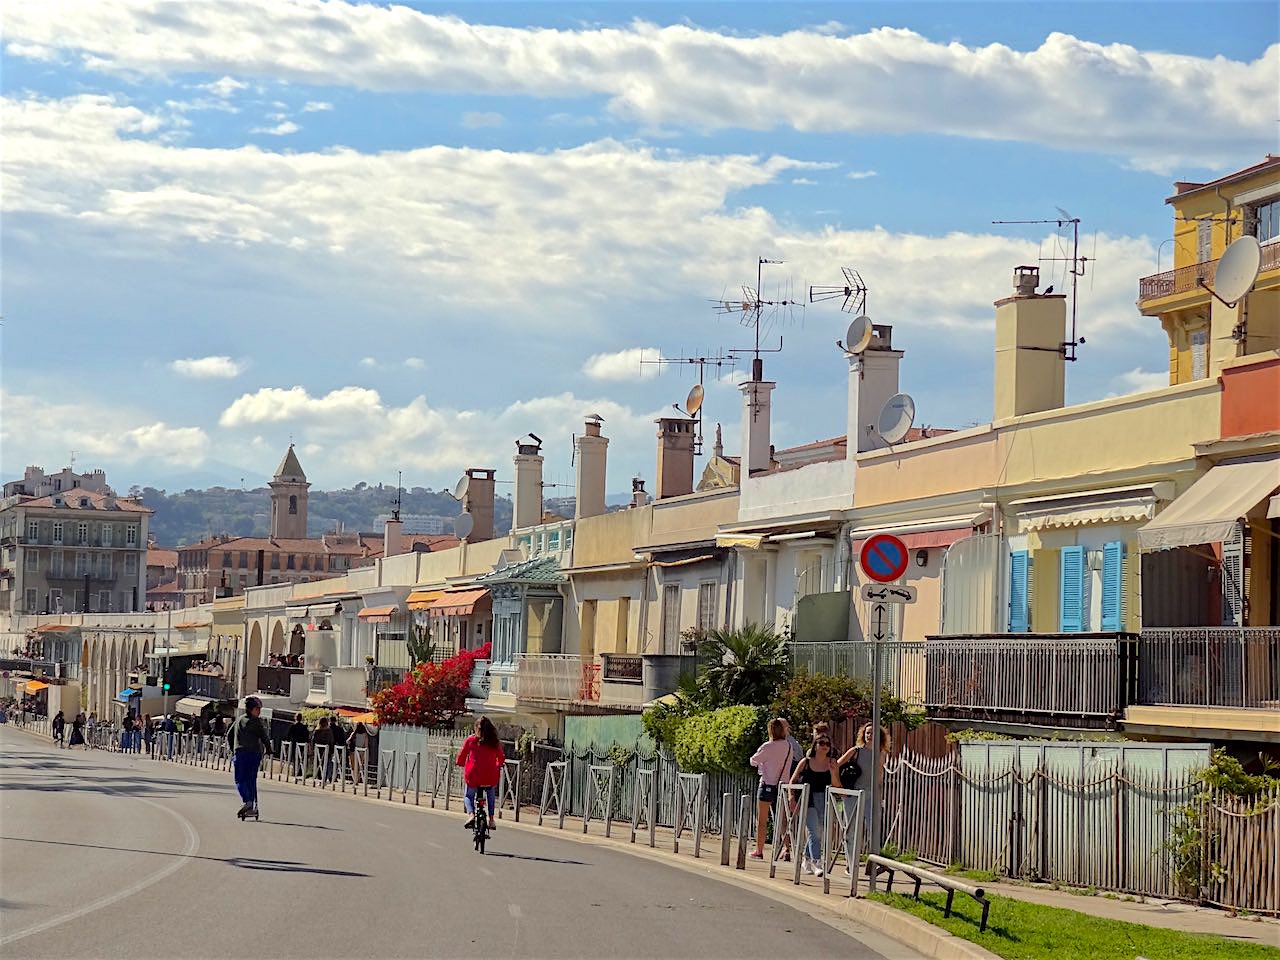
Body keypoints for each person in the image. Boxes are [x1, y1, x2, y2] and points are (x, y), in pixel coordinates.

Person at [836, 723, 891, 863]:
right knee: (852, 828)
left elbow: (879, 776)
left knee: (874, 828)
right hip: (853, 793)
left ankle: (874, 862)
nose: (870, 736)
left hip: (871, 794)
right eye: (868, 733)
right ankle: (851, 862)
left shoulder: (881, 753)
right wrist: (839, 786)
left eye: (873, 733)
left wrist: (879, 796)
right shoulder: (856, 751)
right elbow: (836, 765)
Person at [788, 732, 836, 877]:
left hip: (825, 800)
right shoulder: (806, 762)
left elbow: (835, 783)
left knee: (819, 833)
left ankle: (806, 858)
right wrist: (791, 797)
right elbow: (793, 780)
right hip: (808, 800)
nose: (824, 746)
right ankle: (817, 862)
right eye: (821, 743)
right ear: (815, 745)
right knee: (814, 833)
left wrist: (834, 771)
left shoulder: (831, 762)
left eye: (827, 744)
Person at [748, 717, 794, 860]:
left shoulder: (767, 746)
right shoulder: (788, 746)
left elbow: (753, 760)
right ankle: (786, 848)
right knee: (782, 821)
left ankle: (759, 850)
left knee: (762, 821)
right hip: (782, 787)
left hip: (766, 785)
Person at [456, 716, 504, 831]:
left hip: (473, 776)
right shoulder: (494, 742)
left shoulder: (471, 740)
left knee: (468, 796)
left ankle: (471, 815)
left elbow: (461, 757)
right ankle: (491, 819)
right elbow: (501, 758)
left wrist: (460, 763)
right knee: (491, 795)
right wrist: (498, 765)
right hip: (489, 776)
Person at [228, 696, 272, 819]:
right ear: (250, 709)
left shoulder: (239, 720)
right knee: (251, 780)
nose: (259, 711)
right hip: (254, 755)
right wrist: (269, 749)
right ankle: (252, 805)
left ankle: (247, 802)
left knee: (240, 780)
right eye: (257, 709)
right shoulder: (257, 722)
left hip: (241, 754)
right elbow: (264, 737)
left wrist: (233, 749)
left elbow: (229, 735)